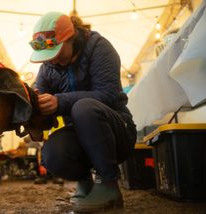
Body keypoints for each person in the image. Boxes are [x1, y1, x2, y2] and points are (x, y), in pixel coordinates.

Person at [29, 12, 137, 212]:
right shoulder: (48, 67)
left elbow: (108, 95)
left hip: (117, 132)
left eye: (57, 54)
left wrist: (59, 101)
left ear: (72, 38)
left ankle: (108, 184)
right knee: (52, 155)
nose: (52, 61)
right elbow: (42, 101)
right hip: (81, 134)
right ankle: (85, 183)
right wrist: (34, 112)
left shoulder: (99, 48)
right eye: (47, 58)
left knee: (84, 107)